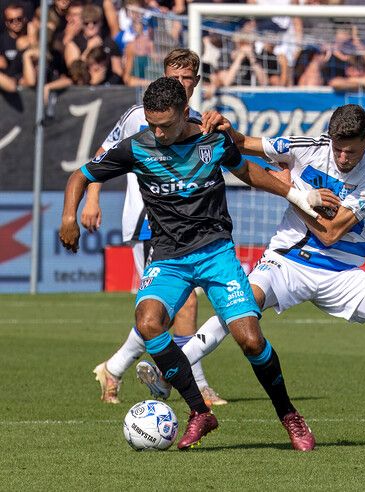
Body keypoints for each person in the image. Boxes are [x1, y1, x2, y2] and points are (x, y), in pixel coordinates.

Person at [137, 104, 365, 451]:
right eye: (338, 148)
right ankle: (172, 374)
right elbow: (245, 144)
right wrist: (226, 131)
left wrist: (295, 196)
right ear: (330, 137)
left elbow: (332, 233)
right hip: (287, 262)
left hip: (341, 273)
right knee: (242, 307)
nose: (344, 156)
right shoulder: (307, 147)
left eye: (352, 150)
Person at [59, 76, 335, 450]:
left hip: (215, 252)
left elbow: (246, 171)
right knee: (149, 322)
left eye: (166, 125)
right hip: (169, 257)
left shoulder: (212, 139)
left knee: (250, 341)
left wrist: (298, 195)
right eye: (152, 124)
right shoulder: (136, 147)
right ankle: (199, 412)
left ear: (184, 113)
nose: (158, 132)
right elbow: (81, 174)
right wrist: (69, 218)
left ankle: (289, 415)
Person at [83, 49, 228, 407]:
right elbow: (101, 157)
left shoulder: (195, 122)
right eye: (172, 77)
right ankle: (196, 382)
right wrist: (92, 198)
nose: (179, 83)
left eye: (186, 78)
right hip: (148, 223)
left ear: (195, 83)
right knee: (181, 303)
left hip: (184, 227)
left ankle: (114, 368)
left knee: (168, 308)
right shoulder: (140, 116)